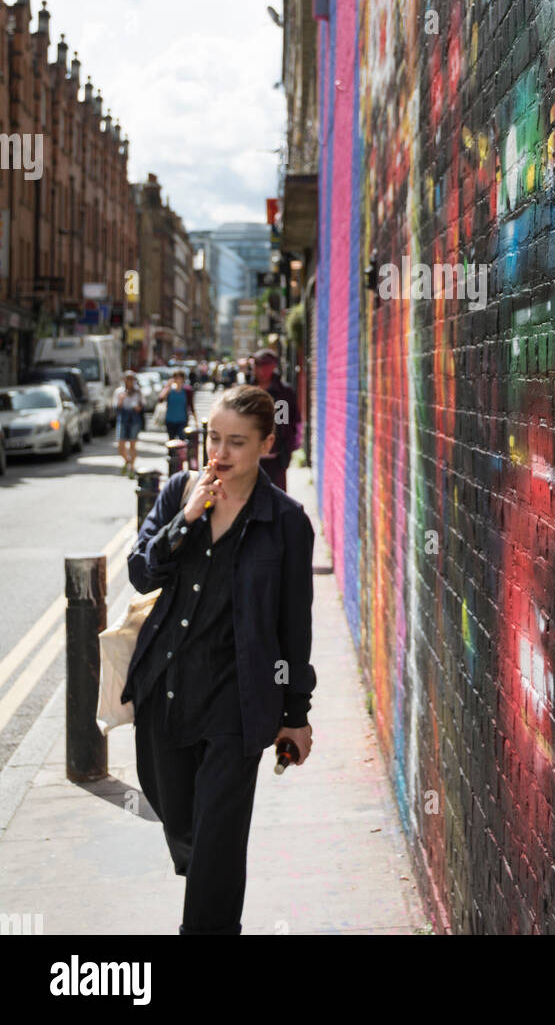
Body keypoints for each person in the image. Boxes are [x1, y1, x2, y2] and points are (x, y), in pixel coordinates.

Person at [122, 385, 316, 936]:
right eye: (214, 438)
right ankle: (202, 865)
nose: (220, 453)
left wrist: (295, 714)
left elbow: (293, 626)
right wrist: (184, 519)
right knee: (183, 825)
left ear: (267, 445)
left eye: (236, 442)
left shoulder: (286, 523)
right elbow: (140, 572)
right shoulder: (181, 491)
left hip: (238, 704)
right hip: (167, 690)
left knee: (219, 847)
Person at [250, 349, 300, 492]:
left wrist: (287, 450)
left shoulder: (284, 392)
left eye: (265, 366)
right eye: (258, 365)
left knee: (277, 500)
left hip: (276, 458)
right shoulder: (246, 391)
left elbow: (290, 423)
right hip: (250, 457)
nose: (261, 370)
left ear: (273, 367)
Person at [114, 371, 145, 476]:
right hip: (123, 419)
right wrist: (120, 400)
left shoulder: (138, 392)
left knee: (132, 444)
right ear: (124, 380)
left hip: (134, 419)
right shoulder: (119, 392)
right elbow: (115, 408)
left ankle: (132, 468)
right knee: (120, 446)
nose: (129, 381)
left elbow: (142, 406)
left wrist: (138, 408)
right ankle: (128, 460)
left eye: (131, 378)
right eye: (127, 378)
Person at [158, 369, 198, 442]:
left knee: (182, 441)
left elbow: (191, 405)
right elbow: (160, 399)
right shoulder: (169, 390)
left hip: (182, 420)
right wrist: (167, 386)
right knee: (171, 442)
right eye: (176, 377)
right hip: (170, 420)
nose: (178, 379)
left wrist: (196, 421)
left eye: (180, 377)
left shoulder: (187, 390)